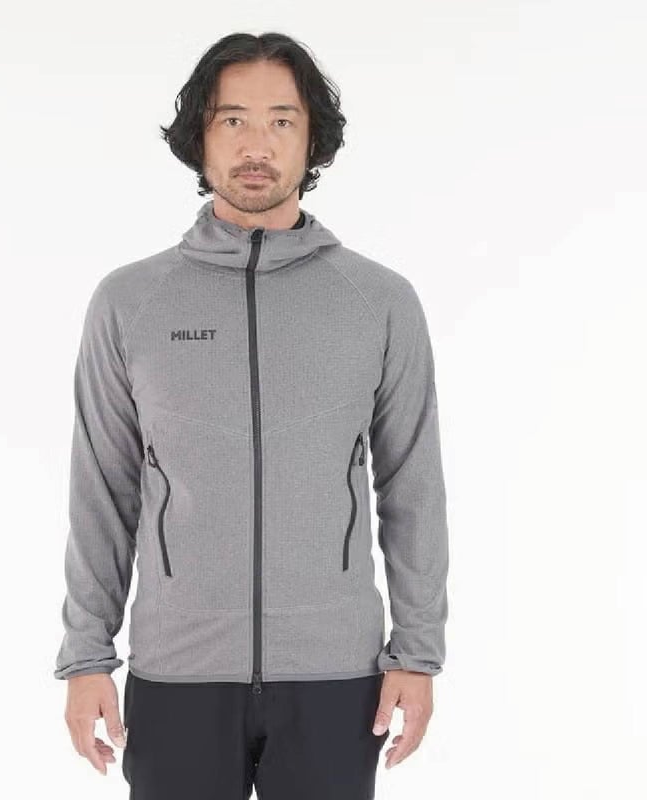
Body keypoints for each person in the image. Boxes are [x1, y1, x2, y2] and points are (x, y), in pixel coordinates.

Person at [54, 31, 449, 800]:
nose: (256, 145)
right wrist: (87, 656)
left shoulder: (379, 302)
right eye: (232, 120)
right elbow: (102, 488)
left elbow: (413, 485)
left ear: (312, 139)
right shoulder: (131, 302)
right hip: (177, 673)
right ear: (199, 139)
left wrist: (417, 651)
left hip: (337, 678)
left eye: (281, 121)